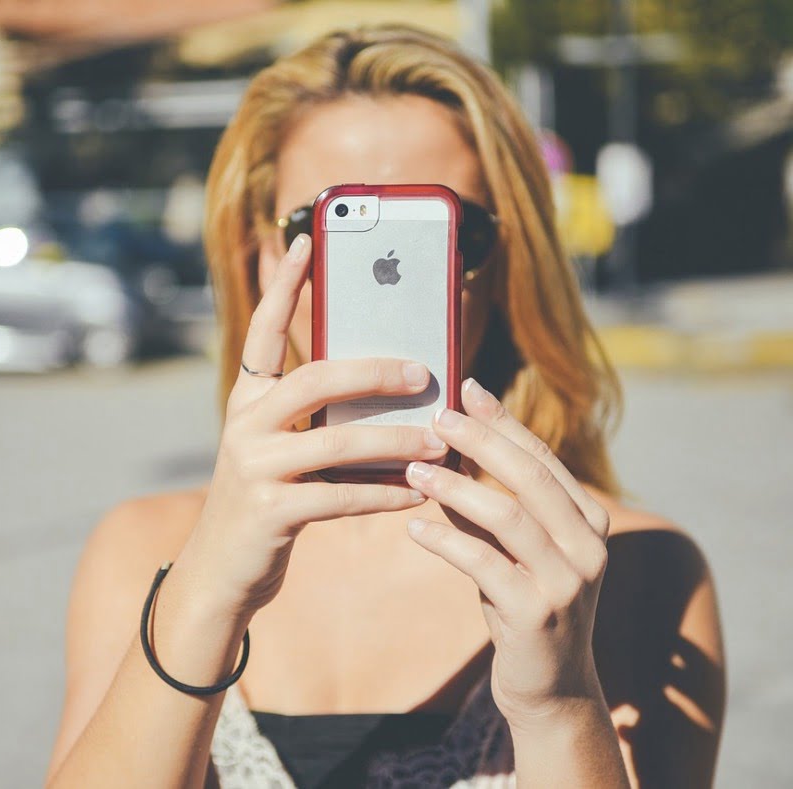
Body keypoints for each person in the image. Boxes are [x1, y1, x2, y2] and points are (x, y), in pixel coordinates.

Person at [44, 24, 725, 789]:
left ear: (505, 265)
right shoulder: (144, 550)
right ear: (262, 256)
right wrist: (205, 596)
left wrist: (560, 704)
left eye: (445, 233)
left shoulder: (620, 566)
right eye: (328, 229)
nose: (387, 279)